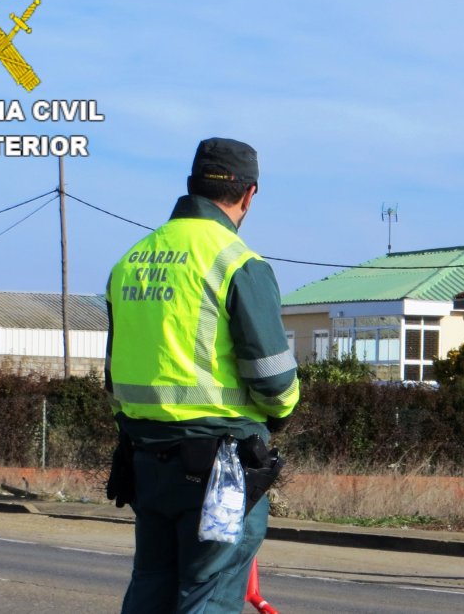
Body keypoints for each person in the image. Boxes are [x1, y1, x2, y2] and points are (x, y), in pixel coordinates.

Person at [104, 137, 299, 613]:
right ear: (249, 194)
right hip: (220, 466)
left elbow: (115, 377)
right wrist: (280, 412)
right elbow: (274, 381)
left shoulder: (131, 260)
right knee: (208, 594)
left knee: (151, 585)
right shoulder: (237, 262)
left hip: (146, 460)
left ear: (191, 183)